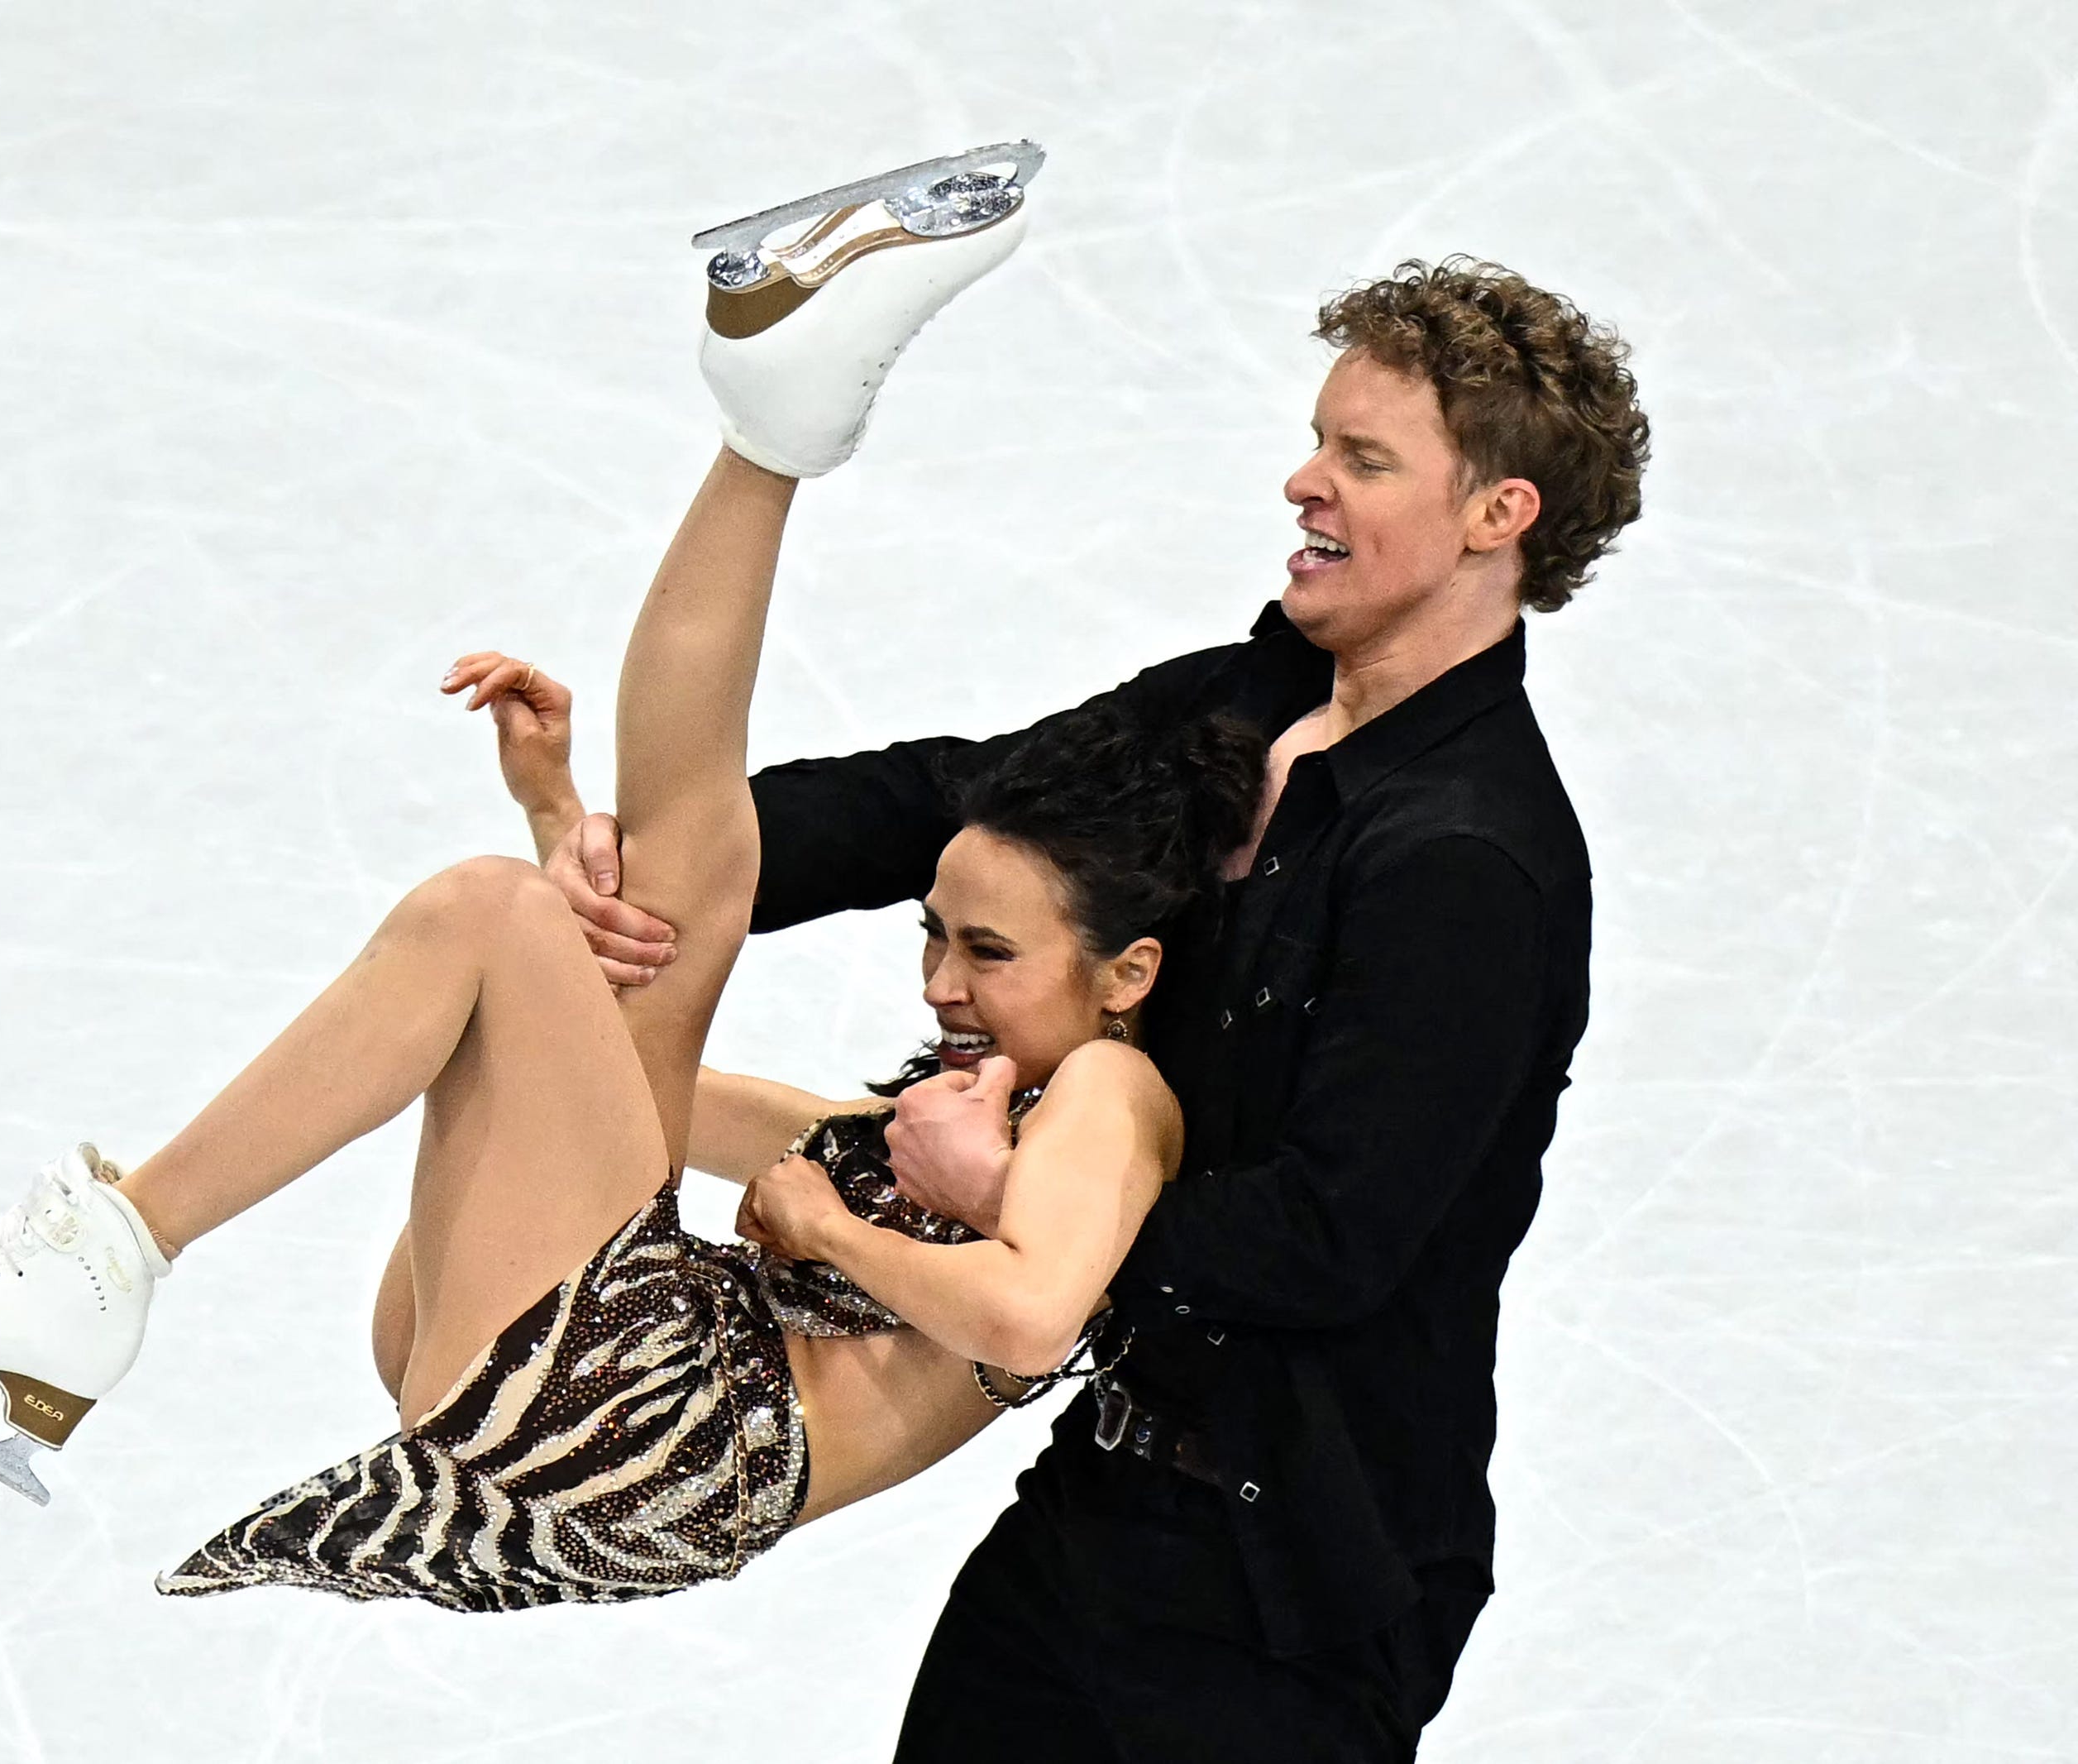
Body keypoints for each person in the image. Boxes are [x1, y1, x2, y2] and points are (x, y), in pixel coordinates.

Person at [0, 144, 1253, 1613]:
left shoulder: (1116, 1101)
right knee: (672, 901)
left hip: (650, 1441)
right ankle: (773, 432)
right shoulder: (967, 1111)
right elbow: (677, 1098)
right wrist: (566, 856)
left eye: (988, 952)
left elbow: (1037, 1310)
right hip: (584, 1366)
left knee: (492, 913)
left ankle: (102, 1271)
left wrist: (828, 1226)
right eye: (935, 933)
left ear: (1126, 972)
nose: (940, 982)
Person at [554, 258, 1651, 1757]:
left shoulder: (1469, 862)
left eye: (1363, 459)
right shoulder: (1247, 700)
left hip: (1294, 1588)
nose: (1304, 480)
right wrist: (675, 862)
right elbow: (966, 801)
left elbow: (1335, 1238)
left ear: (1498, 514)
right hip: (1101, 1505)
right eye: (1319, 439)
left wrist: (1013, 1199)